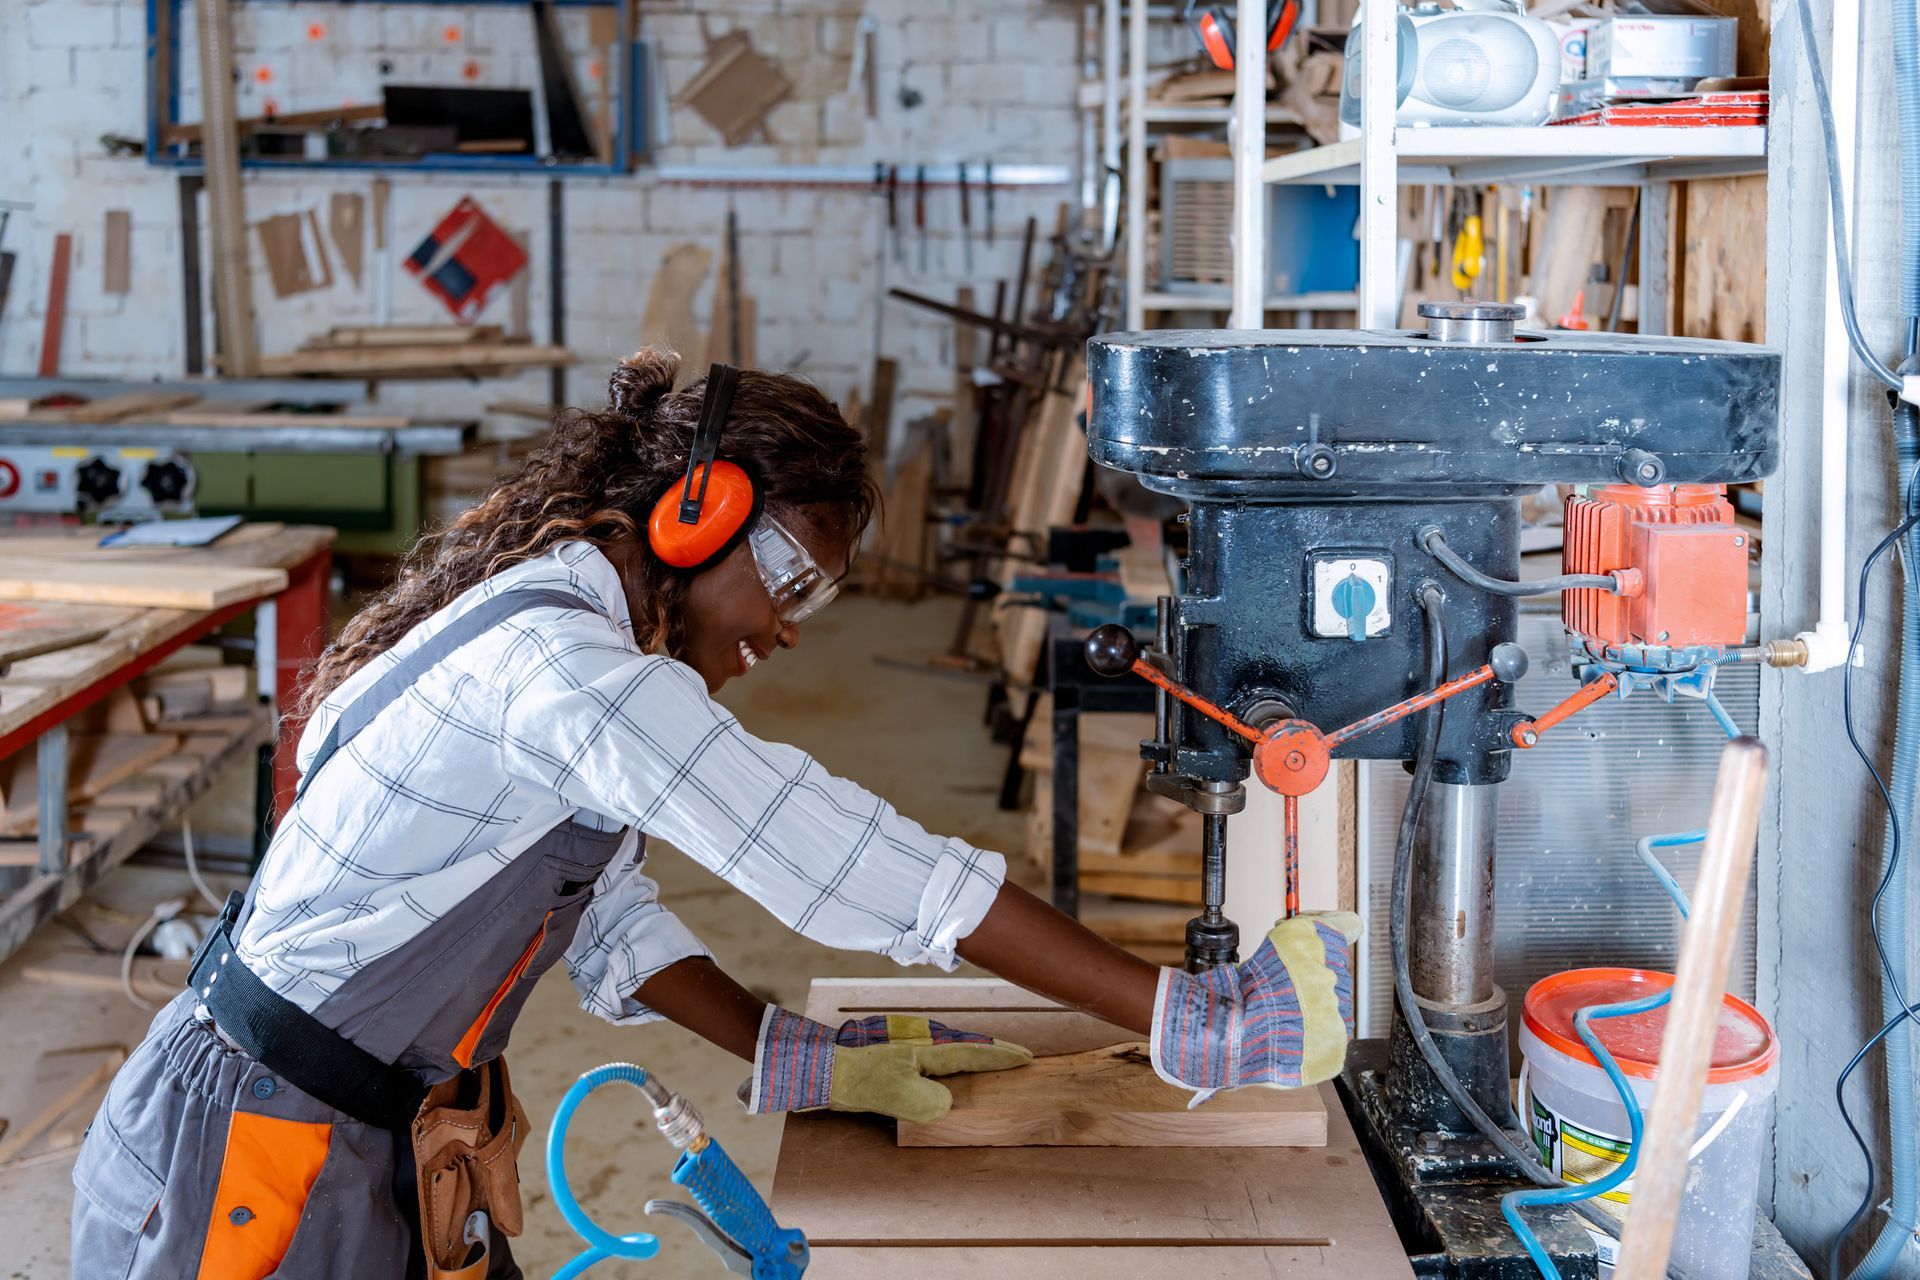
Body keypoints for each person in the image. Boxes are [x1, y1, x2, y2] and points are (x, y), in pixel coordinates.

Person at [71, 350, 1359, 1280]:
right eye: (788, 575)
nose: (788, 627)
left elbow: (600, 904)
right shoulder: (568, 670)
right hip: (252, 1143)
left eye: (822, 597)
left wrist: (783, 1048)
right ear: (700, 513)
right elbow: (832, 854)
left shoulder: (572, 621)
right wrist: (1181, 1020)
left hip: (368, 1125)